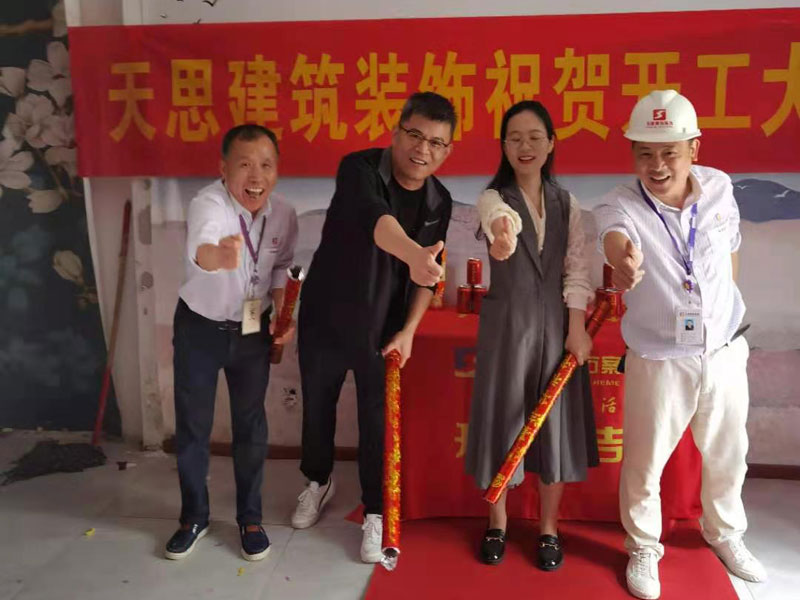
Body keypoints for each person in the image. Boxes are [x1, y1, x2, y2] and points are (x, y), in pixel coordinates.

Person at [593, 90, 766, 599]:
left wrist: (720, 317)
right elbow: (614, 237)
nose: (657, 165)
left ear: (694, 148)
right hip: (659, 360)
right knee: (645, 462)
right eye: (644, 153)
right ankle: (644, 545)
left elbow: (730, 251)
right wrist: (623, 261)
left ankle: (725, 533)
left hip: (723, 351)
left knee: (729, 454)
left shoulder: (719, 187)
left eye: (669, 152)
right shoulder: (619, 203)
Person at [291, 92, 456, 563]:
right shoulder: (359, 168)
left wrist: (409, 330)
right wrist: (415, 256)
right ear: (396, 132)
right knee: (317, 409)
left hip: (383, 327)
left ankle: (376, 511)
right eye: (415, 135)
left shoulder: (439, 200)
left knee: (377, 423)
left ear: (447, 151)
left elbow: (428, 275)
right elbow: (376, 221)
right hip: (326, 317)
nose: (423, 149)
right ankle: (317, 482)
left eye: (436, 143)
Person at [464, 100, 598, 571]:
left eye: (534, 137)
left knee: (554, 429)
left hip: (557, 331)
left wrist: (577, 329)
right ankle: (497, 522)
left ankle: (548, 529)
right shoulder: (491, 197)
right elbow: (500, 218)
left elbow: (576, 268)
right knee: (503, 424)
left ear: (551, 143)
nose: (525, 146)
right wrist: (503, 234)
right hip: (507, 333)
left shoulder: (567, 203)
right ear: (503, 146)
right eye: (515, 138)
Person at [165, 125, 298, 562]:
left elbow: (279, 269)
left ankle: (250, 518)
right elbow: (201, 248)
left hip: (252, 329)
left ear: (277, 171)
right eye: (244, 165)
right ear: (223, 169)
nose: (256, 177)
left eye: (266, 165)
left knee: (251, 425)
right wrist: (219, 256)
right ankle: (193, 517)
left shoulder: (284, 214)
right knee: (193, 426)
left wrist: (284, 312)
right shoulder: (208, 203)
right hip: (200, 329)